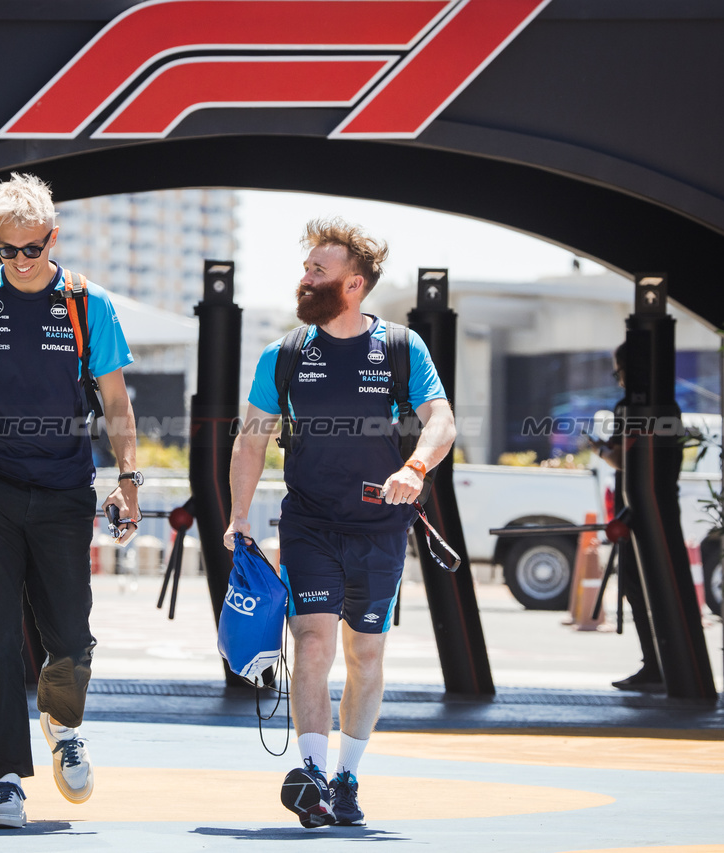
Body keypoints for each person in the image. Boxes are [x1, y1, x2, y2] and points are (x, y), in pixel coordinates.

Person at [0, 172, 141, 830]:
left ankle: (63, 723)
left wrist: (128, 479)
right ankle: (6, 781)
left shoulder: (86, 303)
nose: (22, 262)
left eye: (34, 249)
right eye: (9, 250)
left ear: (53, 237)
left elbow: (118, 402)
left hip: (65, 493)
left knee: (70, 636)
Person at [225, 219, 456, 828]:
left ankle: (348, 776)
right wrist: (238, 518)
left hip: (381, 529)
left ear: (354, 284)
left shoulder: (404, 349)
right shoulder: (284, 356)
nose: (305, 278)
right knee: (313, 641)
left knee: (367, 653)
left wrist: (415, 465)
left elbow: (442, 421)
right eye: (306, 268)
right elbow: (251, 442)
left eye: (317, 270)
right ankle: (312, 774)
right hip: (309, 524)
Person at [589, 342, 665, 692]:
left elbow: (621, 460)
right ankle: (662, 662)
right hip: (659, 509)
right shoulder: (664, 406)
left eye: (618, 371)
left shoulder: (627, 409)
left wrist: (598, 448)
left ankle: (654, 664)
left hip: (636, 513)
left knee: (636, 587)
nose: (618, 379)